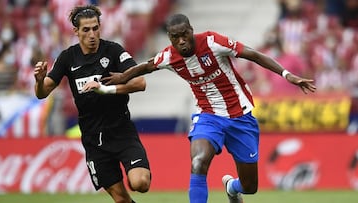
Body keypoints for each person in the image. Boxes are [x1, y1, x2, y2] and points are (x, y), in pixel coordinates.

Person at [85, 13, 316, 203]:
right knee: (198, 162)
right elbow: (146, 66)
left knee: (250, 186)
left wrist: (288, 75)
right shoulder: (169, 56)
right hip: (208, 116)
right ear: (170, 38)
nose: (182, 41)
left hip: (240, 116)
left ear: (191, 30)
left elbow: (253, 55)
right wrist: (122, 77)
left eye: (185, 35)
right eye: (176, 37)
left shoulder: (213, 42)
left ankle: (231, 188)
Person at [34, 5, 151, 203]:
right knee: (121, 199)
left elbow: (140, 83)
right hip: (93, 140)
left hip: (122, 132)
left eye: (95, 28)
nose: (92, 34)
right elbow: (42, 93)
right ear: (76, 31)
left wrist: (105, 89)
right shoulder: (67, 58)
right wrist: (39, 80)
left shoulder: (113, 51)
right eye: (86, 30)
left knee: (140, 183)